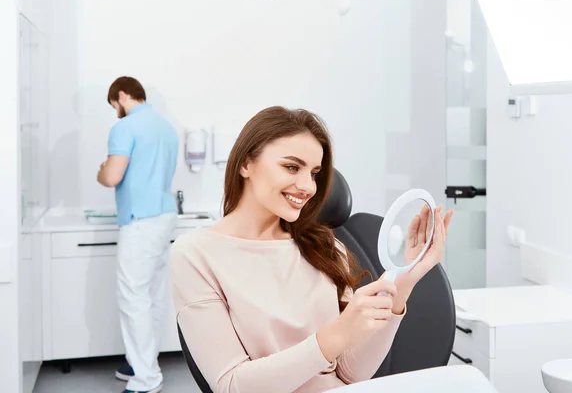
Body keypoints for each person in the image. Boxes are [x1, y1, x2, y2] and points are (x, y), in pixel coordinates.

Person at [170, 106, 453, 393]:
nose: (307, 186)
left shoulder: (326, 247)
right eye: (292, 167)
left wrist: (402, 283)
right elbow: (231, 386)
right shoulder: (195, 254)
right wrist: (337, 334)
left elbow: (351, 376)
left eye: (314, 173)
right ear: (246, 164)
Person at [97, 76, 179, 393]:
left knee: (133, 297)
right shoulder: (165, 127)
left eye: (114, 106)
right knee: (152, 295)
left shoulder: (125, 126)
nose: (115, 112)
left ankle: (146, 378)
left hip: (140, 220)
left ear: (121, 95)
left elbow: (113, 174)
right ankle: (142, 361)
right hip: (164, 215)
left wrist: (101, 171)